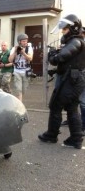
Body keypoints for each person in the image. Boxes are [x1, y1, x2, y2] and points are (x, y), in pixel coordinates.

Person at [38, 14, 85, 149]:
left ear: (73, 28)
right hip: (73, 79)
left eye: (65, 29)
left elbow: (61, 57)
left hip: (72, 81)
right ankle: (76, 139)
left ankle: (51, 135)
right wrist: (57, 70)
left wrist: (52, 54)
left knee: (55, 105)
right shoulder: (76, 41)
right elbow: (70, 63)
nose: (63, 31)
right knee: (71, 108)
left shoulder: (75, 42)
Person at [8, 34, 34, 102]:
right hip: (17, 72)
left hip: (26, 72)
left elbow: (30, 58)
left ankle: (18, 101)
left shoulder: (29, 48)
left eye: (26, 41)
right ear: (19, 42)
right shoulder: (14, 48)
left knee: (23, 90)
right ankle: (19, 105)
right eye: (23, 41)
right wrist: (15, 52)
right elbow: (10, 60)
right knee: (18, 90)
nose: (25, 42)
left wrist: (23, 53)